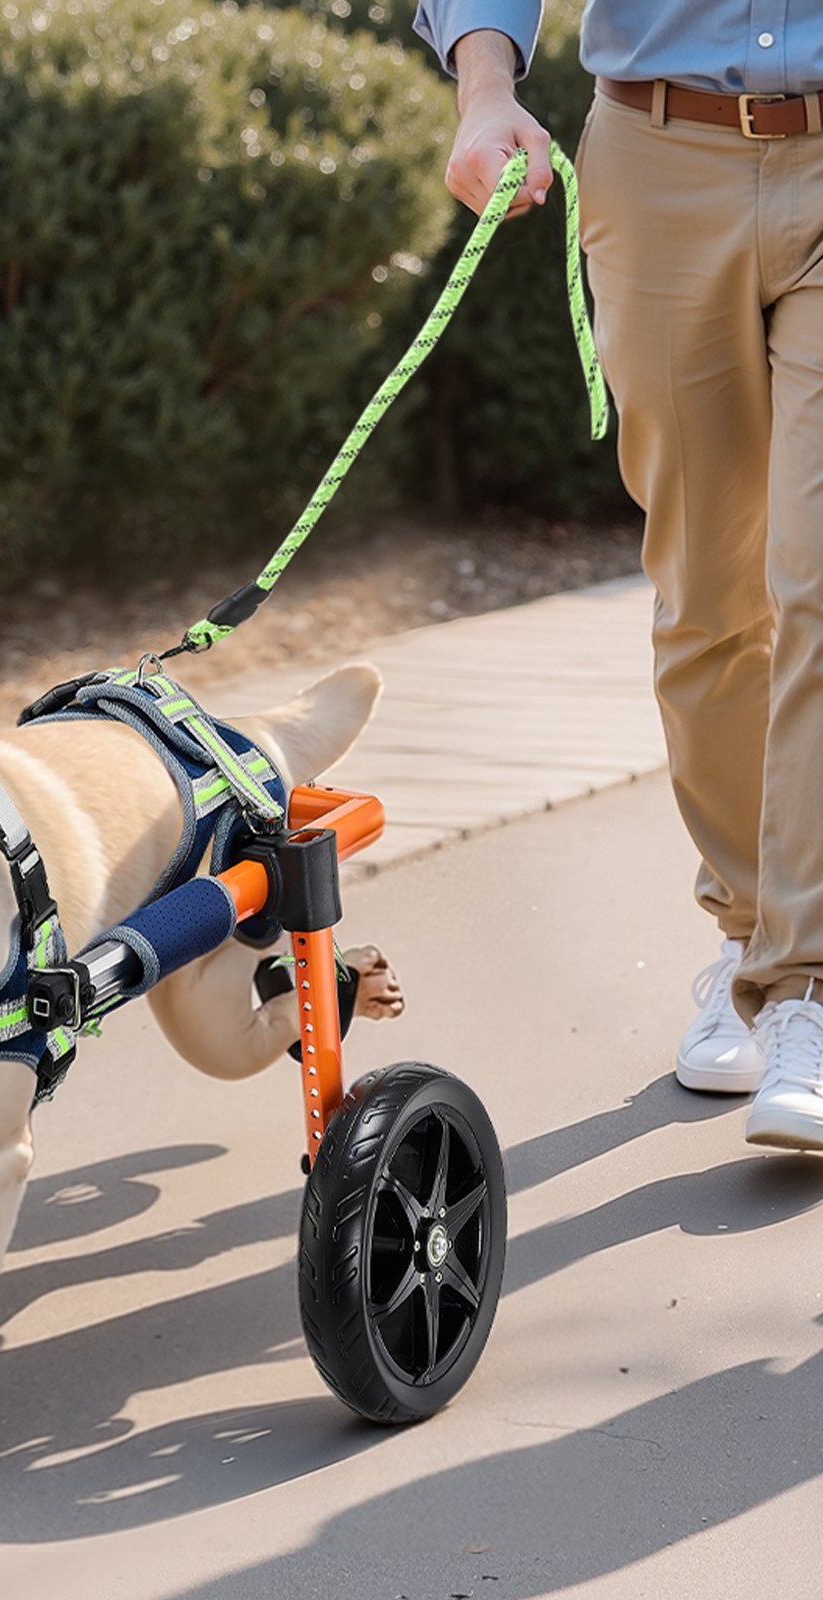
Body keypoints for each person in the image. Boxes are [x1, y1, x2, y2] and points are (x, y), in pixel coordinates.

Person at [412, 2, 823, 1149]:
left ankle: (805, 988)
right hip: (658, 160)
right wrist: (484, 90)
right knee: (707, 597)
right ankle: (749, 935)